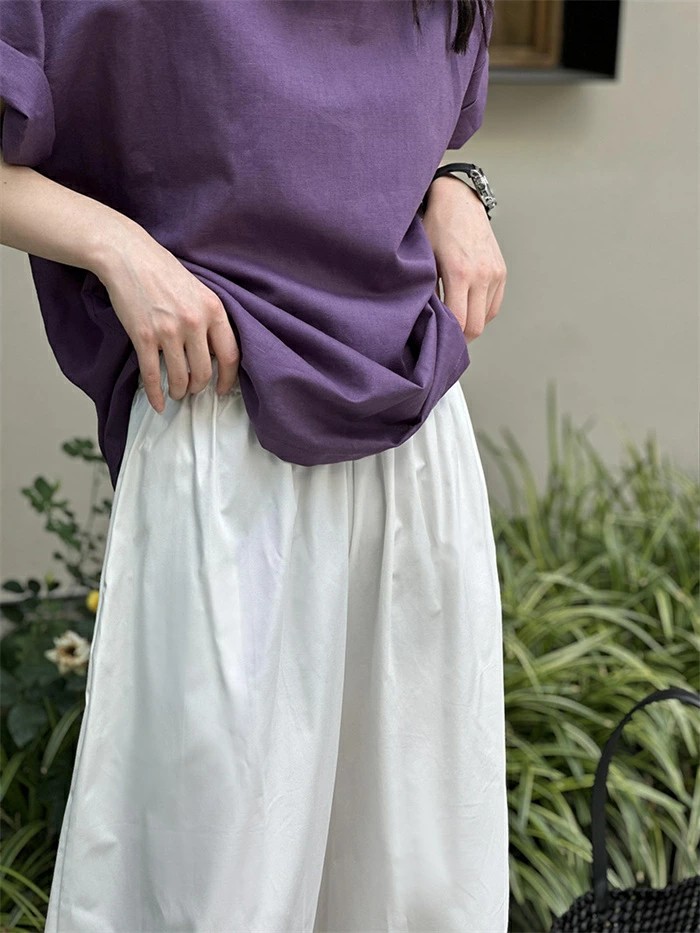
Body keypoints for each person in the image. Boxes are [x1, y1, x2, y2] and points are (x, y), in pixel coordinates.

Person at [0, 1, 509, 930]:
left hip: (418, 442)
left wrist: (456, 185)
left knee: (416, 886)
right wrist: (118, 248)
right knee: (214, 884)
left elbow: (371, 143)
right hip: (228, 433)